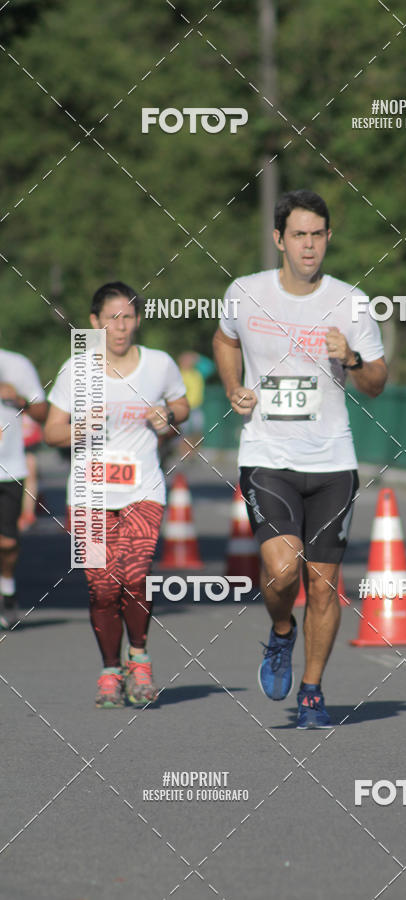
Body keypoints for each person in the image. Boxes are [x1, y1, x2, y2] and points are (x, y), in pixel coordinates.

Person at [213, 189, 387, 728]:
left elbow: (377, 383)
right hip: (267, 453)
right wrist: (232, 385)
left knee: (324, 584)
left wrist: (352, 357)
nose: (308, 246)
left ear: (328, 238)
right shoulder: (245, 293)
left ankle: (312, 690)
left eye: (317, 235)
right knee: (282, 570)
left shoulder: (351, 302)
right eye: (298, 236)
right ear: (279, 240)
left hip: (333, 459)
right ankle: (281, 632)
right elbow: (223, 341)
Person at [44, 282, 189, 708]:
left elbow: (181, 405)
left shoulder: (159, 365)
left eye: (127, 317)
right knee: (103, 587)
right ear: (94, 323)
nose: (120, 327)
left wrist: (169, 414)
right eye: (111, 318)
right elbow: (52, 430)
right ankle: (111, 669)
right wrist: (77, 429)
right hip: (88, 494)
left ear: (138, 320)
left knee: (135, 574)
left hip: (143, 488)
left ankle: (139, 659)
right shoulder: (77, 370)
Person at [0, 349, 48, 628]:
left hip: (9, 469)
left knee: (6, 542)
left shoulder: (18, 365)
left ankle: (7, 590)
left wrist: (18, 399)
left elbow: (42, 412)